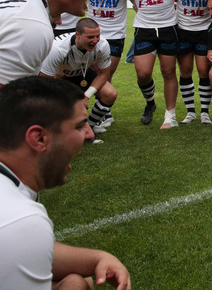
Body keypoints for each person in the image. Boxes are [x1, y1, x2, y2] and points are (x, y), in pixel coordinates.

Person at [0, 76, 131, 289]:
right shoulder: (21, 220)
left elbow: (29, 247)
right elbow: (21, 235)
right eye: (80, 125)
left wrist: (96, 258)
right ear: (39, 138)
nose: (89, 133)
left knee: (77, 279)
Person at [125, 0, 212, 129]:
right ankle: (151, 102)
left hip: (169, 27)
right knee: (143, 74)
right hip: (145, 28)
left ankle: (171, 116)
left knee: (170, 71)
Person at [39, 18, 117, 137]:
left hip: (82, 73)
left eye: (97, 36)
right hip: (58, 78)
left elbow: (104, 74)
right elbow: (44, 82)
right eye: (90, 37)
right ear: (77, 35)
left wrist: (86, 96)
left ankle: (89, 127)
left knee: (110, 94)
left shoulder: (102, 45)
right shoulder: (57, 48)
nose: (95, 40)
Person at [88, 0, 131, 87]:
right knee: (90, 73)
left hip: (115, 35)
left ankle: (103, 107)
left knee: (107, 74)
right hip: (93, 34)